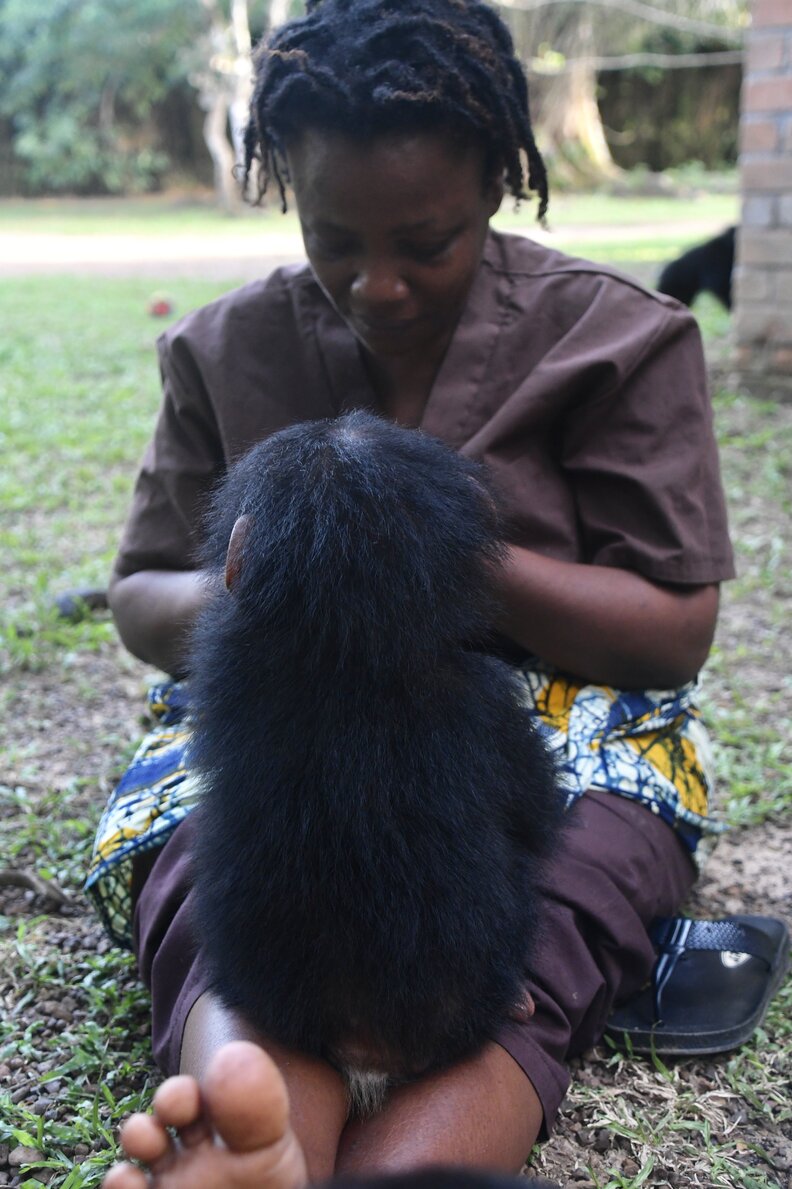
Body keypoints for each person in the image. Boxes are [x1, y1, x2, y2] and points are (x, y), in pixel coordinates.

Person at [89, 1, 736, 1185]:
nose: (375, 285)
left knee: (557, 894)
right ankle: (259, 1121)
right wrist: (284, 596)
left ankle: (415, 1156)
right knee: (210, 853)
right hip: (277, 691)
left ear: (499, 179)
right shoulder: (224, 349)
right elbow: (140, 596)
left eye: (425, 243)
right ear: (285, 187)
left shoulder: (620, 339)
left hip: (555, 706)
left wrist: (439, 565)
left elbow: (674, 630)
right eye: (336, 238)